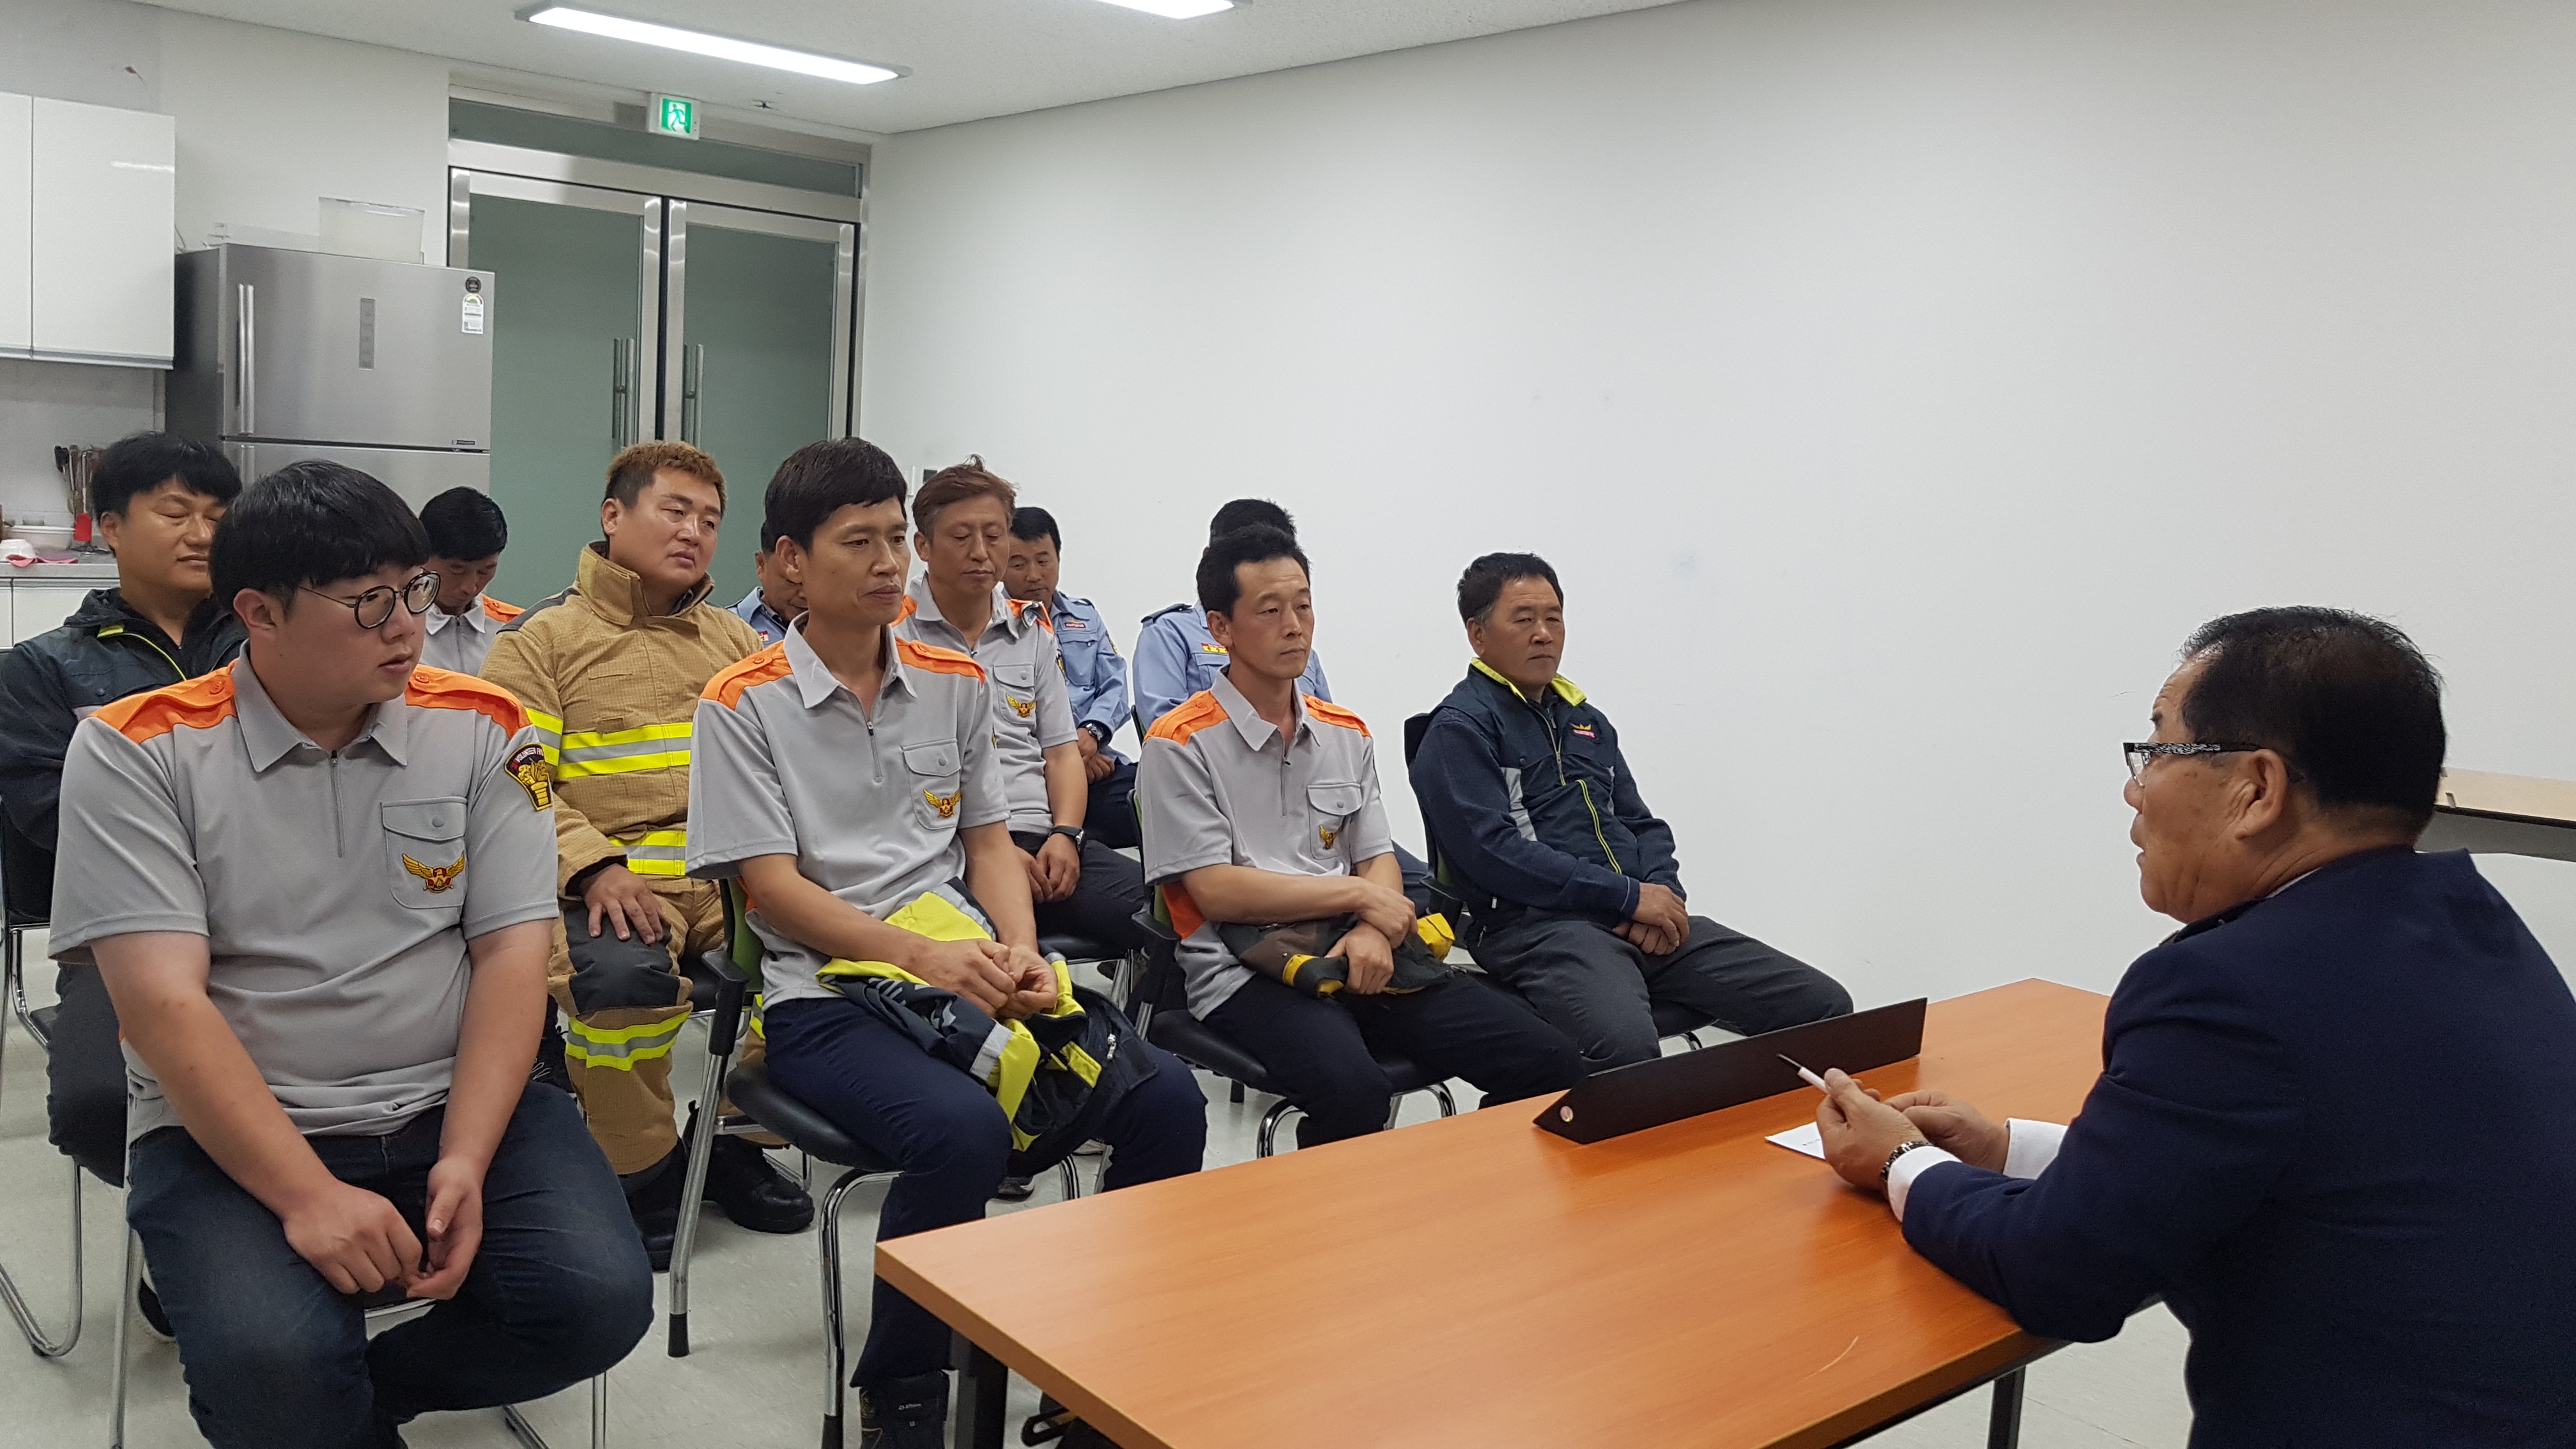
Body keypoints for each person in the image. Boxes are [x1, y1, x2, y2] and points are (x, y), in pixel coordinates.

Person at [1813, 607, 2576, 1448]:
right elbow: (2278, 1165)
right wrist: (2005, 1150)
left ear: (2257, 789)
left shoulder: (2227, 988)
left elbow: (2059, 1274)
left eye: (2158, 750)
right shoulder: (2472, 920)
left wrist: (1899, 1161)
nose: (2134, 790)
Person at [47, 461, 650, 1449]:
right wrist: (309, 1197)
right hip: (232, 1127)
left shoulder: (485, 727)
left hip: (445, 1097)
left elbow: (512, 954)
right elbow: (163, 1006)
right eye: (370, 603)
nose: (409, 626)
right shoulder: (138, 750)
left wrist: (467, 1155)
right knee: (273, 1364)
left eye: (415, 591)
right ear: (259, 612)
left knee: (597, 1303)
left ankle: (367, 1400)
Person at [689, 438, 1205, 1447]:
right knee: (960, 1130)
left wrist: (1021, 949)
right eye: (860, 542)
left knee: (1166, 1099)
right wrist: (924, 959)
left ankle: (1102, 1364)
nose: (889, 562)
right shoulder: (742, 702)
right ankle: (905, 1392)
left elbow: (987, 841)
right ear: (791, 560)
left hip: (962, 963)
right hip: (823, 998)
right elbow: (774, 891)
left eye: (894, 538)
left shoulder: (955, 680)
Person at [479, 441, 812, 1267]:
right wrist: (594, 866)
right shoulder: (540, 642)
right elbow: (519, 781)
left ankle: (733, 1139)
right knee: (619, 986)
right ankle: (642, 1171)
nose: (694, 532)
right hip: (609, 881)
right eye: (675, 511)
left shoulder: (736, 640)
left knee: (827, 962)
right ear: (613, 515)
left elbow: (790, 764)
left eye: (710, 520)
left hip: (731, 877)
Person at [1139, 525, 1581, 1147]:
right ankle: (1325, 1209)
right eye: (1270, 611)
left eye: (1303, 605)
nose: (1295, 626)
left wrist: (1374, 928)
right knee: (1353, 1092)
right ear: (1221, 628)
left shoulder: (1344, 732)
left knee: (1551, 1063)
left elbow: (1377, 859)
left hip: (1363, 952)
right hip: (1246, 970)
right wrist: (1359, 899)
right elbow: (1216, 892)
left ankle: (1474, 1189)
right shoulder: (1179, 742)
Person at [1413, 553, 1850, 1070]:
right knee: (1626, 1051)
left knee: (1824, 1009)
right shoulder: (1459, 729)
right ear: (1478, 635)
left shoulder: (1587, 721)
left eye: (1554, 618)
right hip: (1542, 930)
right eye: (1524, 619)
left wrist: (1664, 898)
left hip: (1633, 913)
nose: (1544, 634)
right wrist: (1627, 897)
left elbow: (1641, 824)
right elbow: (1495, 855)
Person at [0, 433, 244, 1220]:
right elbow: (51, 815)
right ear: (110, 526)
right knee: (98, 1105)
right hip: (124, 931)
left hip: (280, 917)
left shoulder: (269, 648)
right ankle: (194, 1230)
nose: (201, 534)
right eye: (175, 512)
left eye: (218, 516)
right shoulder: (42, 670)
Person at [1131, 499, 1333, 735]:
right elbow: (1167, 732)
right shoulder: (1170, 634)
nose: (1293, 628)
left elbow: (1327, 729)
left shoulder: (1299, 648)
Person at [1004, 505, 1139, 849]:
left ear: (1059, 559)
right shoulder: (993, 628)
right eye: (1018, 564)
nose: (1034, 575)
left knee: (1164, 791)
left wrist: (1091, 735)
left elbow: (1115, 684)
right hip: (1035, 778)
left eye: (1044, 561)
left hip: (1100, 763)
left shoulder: (1085, 616)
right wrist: (1068, 755)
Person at [416, 487, 520, 675]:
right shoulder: (393, 627)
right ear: (423, 556)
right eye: (457, 569)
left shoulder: (517, 628)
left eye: (485, 570)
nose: (470, 587)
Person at [731, 523, 804, 647]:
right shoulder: (725, 628)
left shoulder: (836, 628)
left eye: (813, 582)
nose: (805, 594)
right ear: (761, 565)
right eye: (792, 582)